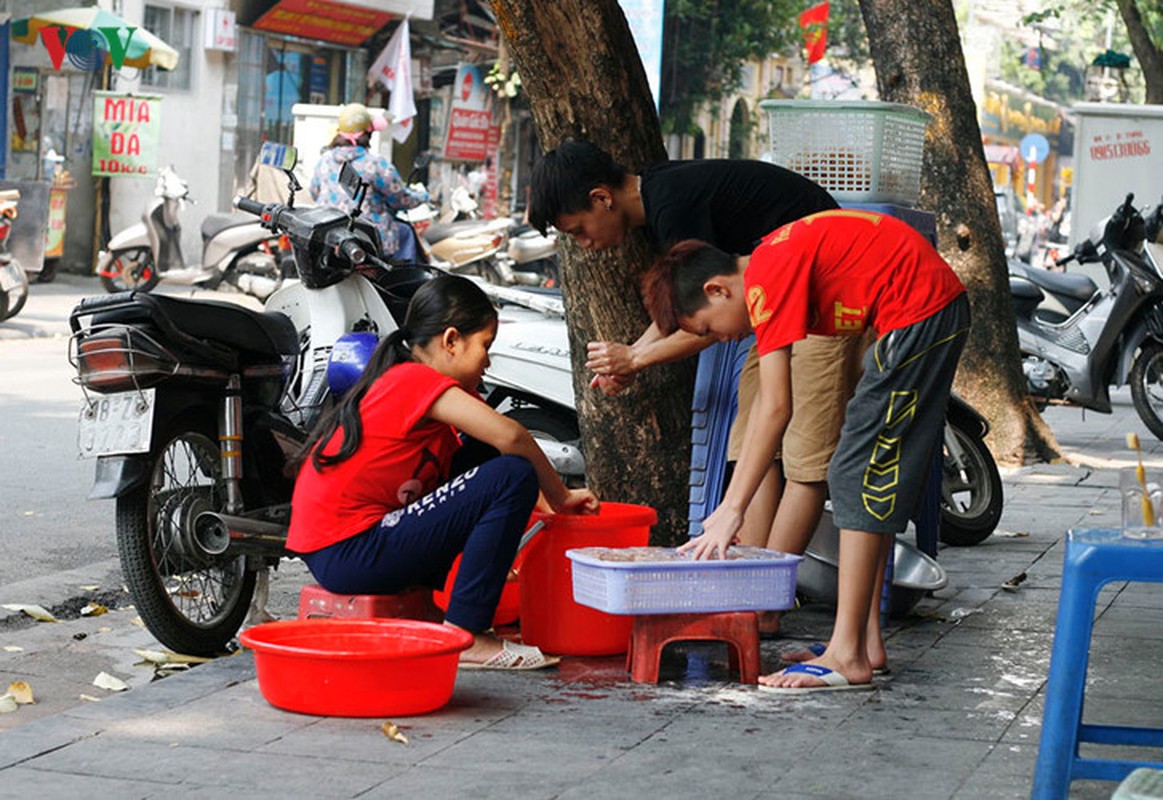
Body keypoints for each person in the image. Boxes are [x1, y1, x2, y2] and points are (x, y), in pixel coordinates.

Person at [528, 140, 855, 636]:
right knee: (752, 445)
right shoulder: (664, 195)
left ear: (601, 198)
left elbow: (703, 324)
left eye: (578, 231)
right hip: (778, 308)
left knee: (805, 455)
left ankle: (765, 606)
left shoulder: (673, 204)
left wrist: (634, 357)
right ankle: (744, 586)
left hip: (826, 299)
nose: (585, 244)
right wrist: (630, 358)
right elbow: (687, 317)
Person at [641, 210, 969, 692]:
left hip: (919, 313)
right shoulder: (771, 266)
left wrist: (732, 509)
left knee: (858, 472)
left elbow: (776, 407)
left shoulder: (765, 278)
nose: (723, 339)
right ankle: (864, 642)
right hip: (915, 315)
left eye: (708, 329)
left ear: (717, 290)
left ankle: (847, 654)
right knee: (861, 472)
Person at [287, 275, 600, 670]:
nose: (487, 360)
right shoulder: (412, 379)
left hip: (356, 544)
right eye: (485, 346)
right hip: (348, 552)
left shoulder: (425, 386)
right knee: (511, 473)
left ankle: (465, 612)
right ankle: (468, 635)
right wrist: (562, 497)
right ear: (451, 341)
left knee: (493, 459)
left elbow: (494, 451)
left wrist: (551, 518)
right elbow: (513, 436)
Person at [309, 103, 429, 261]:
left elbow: (313, 192)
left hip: (329, 236)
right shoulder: (375, 164)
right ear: (368, 134)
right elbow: (401, 199)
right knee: (405, 232)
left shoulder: (324, 160)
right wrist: (423, 196)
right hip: (367, 238)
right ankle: (404, 283)